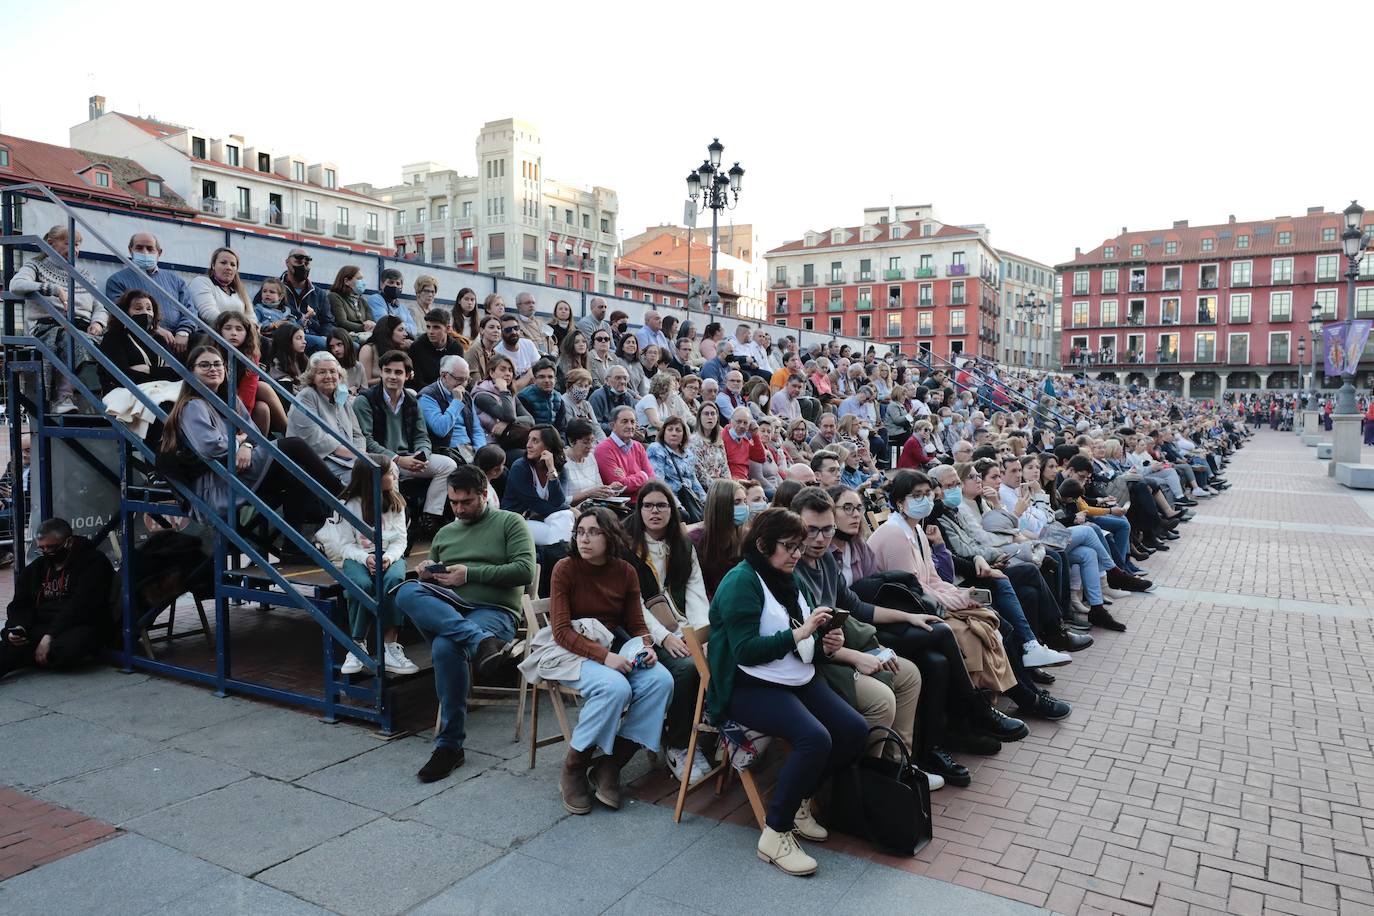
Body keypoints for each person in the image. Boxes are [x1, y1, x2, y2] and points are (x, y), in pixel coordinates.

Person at [705, 507, 868, 877]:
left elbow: (799, 632)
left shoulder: (783, 576)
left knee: (854, 731)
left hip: (791, 675)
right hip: (746, 685)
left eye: (799, 546)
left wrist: (827, 640)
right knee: (815, 738)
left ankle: (799, 799)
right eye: (790, 546)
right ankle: (775, 833)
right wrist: (802, 633)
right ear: (762, 545)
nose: (798, 554)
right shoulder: (741, 582)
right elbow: (745, 650)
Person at [395, 464, 535, 782]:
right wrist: (429, 571)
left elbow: (525, 571)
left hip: (494, 610)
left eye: (466, 502)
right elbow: (437, 570)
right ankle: (480, 642)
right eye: (453, 503)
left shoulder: (510, 522)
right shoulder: (446, 532)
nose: (459, 509)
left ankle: (449, 745)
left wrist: (469, 573)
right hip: (452, 606)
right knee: (405, 592)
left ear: (484, 495)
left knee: (446, 645)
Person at [539, 506, 673, 814]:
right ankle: (574, 766)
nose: (584, 539)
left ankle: (611, 766)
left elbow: (637, 623)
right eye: (580, 532)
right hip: (570, 651)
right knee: (615, 689)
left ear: (610, 536)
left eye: (594, 532)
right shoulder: (565, 568)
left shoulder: (624, 571)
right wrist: (605, 657)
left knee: (661, 681)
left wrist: (646, 646)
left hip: (611, 648)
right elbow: (560, 631)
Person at [789, 488, 927, 771]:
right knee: (881, 700)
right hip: (814, 661)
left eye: (827, 529)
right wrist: (856, 656)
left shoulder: (827, 560)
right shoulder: (790, 567)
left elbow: (856, 607)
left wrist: (909, 616)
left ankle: (897, 765)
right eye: (811, 530)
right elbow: (803, 641)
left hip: (836, 646)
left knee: (910, 674)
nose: (819, 539)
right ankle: (866, 778)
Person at [160, 345, 342, 538]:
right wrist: (241, 442)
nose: (213, 369)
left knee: (297, 475)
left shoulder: (232, 401)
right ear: (191, 372)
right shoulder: (193, 405)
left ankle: (292, 547)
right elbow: (211, 447)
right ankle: (342, 494)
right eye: (204, 365)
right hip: (217, 481)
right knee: (293, 444)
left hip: (239, 469)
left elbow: (253, 434)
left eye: (217, 364)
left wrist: (246, 444)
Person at [317, 455, 417, 676]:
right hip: (358, 557)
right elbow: (345, 545)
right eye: (390, 473)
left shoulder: (395, 501)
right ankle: (357, 644)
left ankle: (391, 646)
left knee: (392, 580)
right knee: (361, 584)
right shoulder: (347, 505)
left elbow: (401, 539)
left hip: (390, 556)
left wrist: (389, 558)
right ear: (373, 477)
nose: (394, 476)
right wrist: (366, 559)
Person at [352, 350, 458, 535]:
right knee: (390, 470)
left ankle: (430, 518)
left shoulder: (411, 400)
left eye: (398, 372)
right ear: (382, 372)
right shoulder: (365, 401)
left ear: (408, 375)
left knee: (448, 465)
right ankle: (397, 528)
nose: (392, 376)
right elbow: (366, 441)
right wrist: (398, 460)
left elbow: (422, 435)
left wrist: (421, 455)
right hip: (379, 460)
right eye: (388, 371)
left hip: (409, 458)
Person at [1, 518, 115, 680]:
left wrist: (49, 636)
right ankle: (33, 652)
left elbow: (81, 606)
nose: (47, 552)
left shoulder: (93, 562)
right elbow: (20, 604)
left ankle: (32, 652)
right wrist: (17, 626)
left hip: (79, 622)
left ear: (68, 542)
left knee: (69, 648)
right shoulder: (37, 568)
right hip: (41, 623)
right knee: (14, 640)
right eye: (42, 548)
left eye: (51, 547)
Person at [105, 232, 196, 355]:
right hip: (144, 336)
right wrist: (155, 329)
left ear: (159, 252)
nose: (144, 252)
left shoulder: (176, 280)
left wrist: (183, 332)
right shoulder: (117, 281)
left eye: (150, 248)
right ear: (130, 250)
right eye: (139, 248)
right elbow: (120, 314)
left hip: (180, 337)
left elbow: (190, 310)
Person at [285, 351, 368, 484]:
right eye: (322, 372)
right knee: (363, 476)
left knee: (389, 468)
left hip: (351, 458)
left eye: (332, 371)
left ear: (339, 375)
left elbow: (357, 434)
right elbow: (316, 440)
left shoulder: (342, 396)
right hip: (320, 460)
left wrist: (361, 453)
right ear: (312, 376)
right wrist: (357, 456)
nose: (328, 376)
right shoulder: (306, 396)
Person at [504, 425, 575, 546]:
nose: (528, 445)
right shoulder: (520, 468)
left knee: (563, 519)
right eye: (529, 439)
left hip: (544, 518)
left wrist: (551, 469)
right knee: (563, 521)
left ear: (548, 446)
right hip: (517, 520)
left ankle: (559, 556)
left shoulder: (559, 469)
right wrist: (568, 509)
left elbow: (558, 501)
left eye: (535, 441)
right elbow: (535, 504)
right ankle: (562, 556)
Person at [98, 290, 179, 393]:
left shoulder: (158, 339)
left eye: (149, 309)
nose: (145, 312)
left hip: (160, 390)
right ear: (125, 312)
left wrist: (148, 369)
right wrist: (163, 373)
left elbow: (177, 372)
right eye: (138, 309)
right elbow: (122, 377)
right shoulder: (114, 337)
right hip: (126, 393)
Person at [258, 248, 333, 351]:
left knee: (349, 345)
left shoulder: (319, 293)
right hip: (285, 335)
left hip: (313, 335)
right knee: (321, 343)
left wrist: (326, 337)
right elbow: (257, 311)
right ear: (287, 263)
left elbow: (327, 322)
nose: (303, 265)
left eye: (307, 262)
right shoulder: (272, 288)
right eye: (298, 261)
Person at [418, 355, 486, 462]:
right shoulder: (427, 396)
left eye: (466, 380)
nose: (463, 384)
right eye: (459, 379)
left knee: (500, 467)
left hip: (469, 449)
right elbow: (441, 429)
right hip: (447, 450)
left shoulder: (466, 395)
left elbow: (476, 428)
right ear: (444, 376)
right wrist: (456, 401)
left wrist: (480, 451)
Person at [689, 479, 747, 597]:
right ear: (721, 506)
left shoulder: (746, 537)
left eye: (745, 501)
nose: (744, 507)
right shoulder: (696, 541)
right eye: (737, 502)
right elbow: (698, 587)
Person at [647, 416, 707, 519]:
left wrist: (706, 502)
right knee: (684, 515)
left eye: (678, 430)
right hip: (668, 501)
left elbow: (693, 480)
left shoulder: (688, 453)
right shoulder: (656, 449)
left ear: (683, 435)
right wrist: (678, 506)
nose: (674, 433)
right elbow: (658, 483)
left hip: (689, 499)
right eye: (670, 429)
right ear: (664, 432)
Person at [593, 406, 654, 498]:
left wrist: (628, 478)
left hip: (645, 500)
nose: (630, 426)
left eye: (632, 422)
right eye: (624, 421)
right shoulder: (603, 449)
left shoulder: (638, 446)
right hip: (623, 506)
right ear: (613, 426)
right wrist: (643, 475)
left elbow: (652, 479)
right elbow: (619, 487)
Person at [188, 247, 253, 322]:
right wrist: (235, 327)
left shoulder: (240, 290)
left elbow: (251, 316)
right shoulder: (201, 282)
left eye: (233, 265)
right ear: (213, 265)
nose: (229, 267)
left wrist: (253, 326)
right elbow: (209, 314)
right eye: (223, 263)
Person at [410, 309, 464, 390]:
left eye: (436, 327)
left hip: (448, 391)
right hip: (423, 392)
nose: (430, 331)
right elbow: (417, 380)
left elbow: (458, 377)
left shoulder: (456, 348)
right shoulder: (417, 346)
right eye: (428, 327)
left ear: (448, 328)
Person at [357, 316, 411, 387]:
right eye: (400, 330)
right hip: (374, 393)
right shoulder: (368, 349)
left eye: (405, 330)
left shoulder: (401, 349)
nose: (405, 334)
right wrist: (394, 378)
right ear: (388, 331)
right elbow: (365, 382)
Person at [687, 402, 730, 491]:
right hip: (706, 489)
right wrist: (720, 489)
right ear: (699, 418)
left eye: (713, 414)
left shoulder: (719, 442)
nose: (710, 417)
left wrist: (729, 487)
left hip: (722, 487)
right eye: (706, 414)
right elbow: (700, 474)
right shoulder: (693, 441)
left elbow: (725, 468)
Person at [517, 359, 567, 435]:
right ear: (534, 380)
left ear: (555, 380)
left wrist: (561, 443)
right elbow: (525, 428)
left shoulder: (559, 399)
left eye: (550, 377)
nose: (547, 380)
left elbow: (561, 428)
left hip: (553, 441)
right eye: (542, 377)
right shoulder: (524, 398)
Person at [326, 265, 375, 339]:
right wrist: (363, 327)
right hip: (346, 337)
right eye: (359, 279)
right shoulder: (334, 297)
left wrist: (370, 325)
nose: (363, 283)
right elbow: (342, 322)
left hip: (364, 335)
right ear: (346, 281)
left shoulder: (362, 300)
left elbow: (371, 321)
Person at [366, 269, 418, 337]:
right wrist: (404, 325)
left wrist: (398, 325)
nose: (395, 286)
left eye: (398, 283)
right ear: (382, 284)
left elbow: (414, 330)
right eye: (391, 282)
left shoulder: (402, 307)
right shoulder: (375, 299)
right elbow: (385, 324)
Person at [589, 366, 636, 436]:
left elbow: (634, 421)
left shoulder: (629, 397)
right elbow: (595, 425)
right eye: (618, 378)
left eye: (625, 378)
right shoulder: (597, 397)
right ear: (607, 381)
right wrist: (620, 428)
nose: (623, 381)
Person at [496, 314, 541, 386]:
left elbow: (539, 372)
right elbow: (512, 388)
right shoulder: (497, 353)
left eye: (516, 328)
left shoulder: (528, 344)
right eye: (508, 330)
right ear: (500, 332)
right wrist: (529, 374)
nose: (513, 332)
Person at [268, 324, 308, 392]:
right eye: (299, 338)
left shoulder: (303, 359)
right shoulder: (277, 364)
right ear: (286, 340)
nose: (304, 342)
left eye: (304, 338)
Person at [327, 328, 368, 393]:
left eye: (339, 344)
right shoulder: (328, 369)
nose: (336, 349)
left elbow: (365, 392)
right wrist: (349, 392)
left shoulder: (358, 366)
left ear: (347, 343)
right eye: (332, 347)